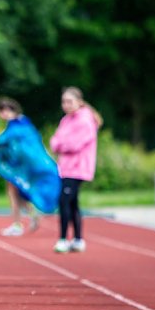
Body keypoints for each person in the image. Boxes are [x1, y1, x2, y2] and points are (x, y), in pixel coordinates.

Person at [0, 97, 55, 236]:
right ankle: (29, 215)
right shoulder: (19, 123)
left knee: (14, 191)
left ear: (13, 109)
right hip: (18, 163)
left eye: (7, 110)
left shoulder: (19, 124)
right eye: (2, 111)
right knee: (16, 191)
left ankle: (19, 223)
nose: (4, 114)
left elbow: (7, 138)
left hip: (22, 165)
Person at [49, 87, 102, 253]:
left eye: (69, 101)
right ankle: (78, 240)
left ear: (79, 102)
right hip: (65, 168)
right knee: (72, 203)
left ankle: (63, 239)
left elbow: (74, 144)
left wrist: (62, 145)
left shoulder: (86, 120)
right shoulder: (66, 120)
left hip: (78, 168)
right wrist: (61, 145)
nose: (66, 105)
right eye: (64, 101)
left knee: (64, 202)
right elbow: (54, 142)